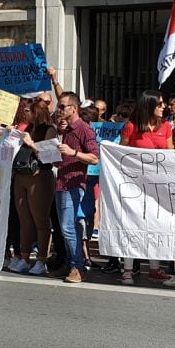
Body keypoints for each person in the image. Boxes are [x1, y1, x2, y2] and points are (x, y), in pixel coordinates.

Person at [119, 90, 173, 284]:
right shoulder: (131, 127)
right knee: (132, 224)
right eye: (159, 104)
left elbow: (170, 154)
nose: (163, 107)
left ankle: (154, 268)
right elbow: (120, 154)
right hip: (134, 185)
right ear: (148, 106)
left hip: (157, 185)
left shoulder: (166, 126)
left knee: (155, 224)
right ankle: (127, 268)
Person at [53, 92, 98, 284]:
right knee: (67, 228)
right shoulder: (67, 130)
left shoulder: (84, 130)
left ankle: (77, 267)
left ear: (74, 108)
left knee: (68, 227)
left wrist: (74, 152)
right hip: (62, 181)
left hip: (73, 183)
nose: (59, 110)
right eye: (59, 106)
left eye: (63, 106)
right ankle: (71, 262)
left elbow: (94, 157)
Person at [9, 100, 57, 276]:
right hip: (22, 176)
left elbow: (51, 156)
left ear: (36, 112)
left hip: (40, 177)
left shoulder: (49, 129)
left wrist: (31, 143)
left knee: (41, 221)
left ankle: (42, 259)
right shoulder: (27, 128)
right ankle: (24, 257)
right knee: (24, 220)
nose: (25, 112)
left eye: (28, 110)